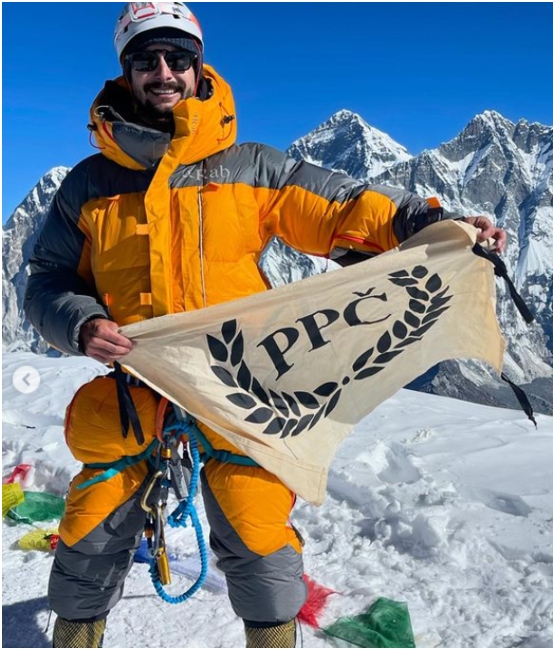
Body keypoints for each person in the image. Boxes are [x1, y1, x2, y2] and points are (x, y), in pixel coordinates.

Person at [24, 3, 506, 647]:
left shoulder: (251, 167)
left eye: (177, 57)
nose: (163, 72)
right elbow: (47, 281)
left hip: (240, 384)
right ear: (126, 72)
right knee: (90, 530)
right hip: (134, 385)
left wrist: (433, 227)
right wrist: (80, 323)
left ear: (199, 66)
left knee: (257, 530)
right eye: (146, 59)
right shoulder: (89, 185)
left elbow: (345, 207)